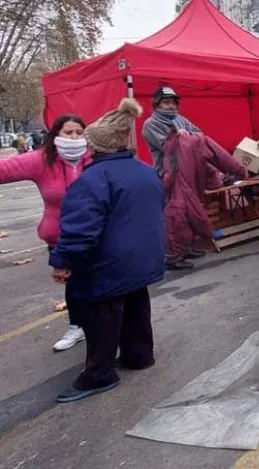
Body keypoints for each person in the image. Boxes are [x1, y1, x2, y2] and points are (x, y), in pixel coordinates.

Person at [49, 98, 165, 403]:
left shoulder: (92, 179)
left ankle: (99, 374)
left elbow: (79, 231)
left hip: (107, 263)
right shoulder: (144, 170)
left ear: (96, 145)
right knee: (137, 305)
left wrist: (62, 261)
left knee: (101, 315)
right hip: (141, 257)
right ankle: (139, 356)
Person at [0, 114, 92, 352]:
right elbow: (4, 170)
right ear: (55, 136)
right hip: (60, 238)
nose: (73, 138)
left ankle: (104, 328)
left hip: (95, 235)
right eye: (67, 133)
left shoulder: (95, 158)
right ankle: (77, 326)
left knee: (97, 282)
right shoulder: (42, 160)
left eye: (78, 133)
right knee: (72, 285)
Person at [162, 131, 247, 270]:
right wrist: (239, 171)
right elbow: (221, 158)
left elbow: (169, 172)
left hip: (181, 184)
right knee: (180, 218)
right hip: (184, 185)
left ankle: (182, 251)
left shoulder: (174, 141)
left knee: (182, 217)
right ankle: (174, 257)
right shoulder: (197, 140)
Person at [142, 86, 200, 175]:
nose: (171, 106)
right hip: (166, 173)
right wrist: (181, 137)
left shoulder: (180, 119)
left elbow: (200, 134)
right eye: (166, 102)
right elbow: (167, 148)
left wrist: (188, 133)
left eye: (173, 102)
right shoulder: (151, 124)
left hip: (188, 170)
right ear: (156, 104)